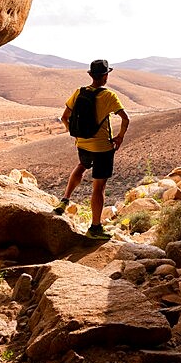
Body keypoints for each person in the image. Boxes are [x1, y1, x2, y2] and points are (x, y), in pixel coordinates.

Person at [53, 59, 129, 240]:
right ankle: (95, 227)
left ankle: (64, 201)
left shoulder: (79, 92)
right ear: (105, 76)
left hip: (83, 143)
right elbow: (125, 119)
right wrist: (119, 138)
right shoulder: (109, 96)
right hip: (103, 147)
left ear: (91, 75)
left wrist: (77, 134)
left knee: (81, 166)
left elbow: (65, 117)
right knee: (99, 187)